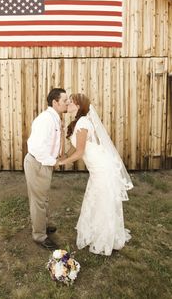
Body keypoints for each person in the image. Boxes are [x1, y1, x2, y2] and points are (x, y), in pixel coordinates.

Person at [56, 93, 133, 256]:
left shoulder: (83, 123)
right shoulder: (77, 122)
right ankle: (96, 231)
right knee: (96, 198)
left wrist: (62, 163)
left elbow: (79, 152)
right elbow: (73, 148)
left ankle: (105, 238)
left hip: (102, 168)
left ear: (78, 106)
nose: (68, 103)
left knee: (102, 200)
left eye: (71, 101)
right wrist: (61, 156)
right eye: (68, 101)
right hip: (97, 169)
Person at [24, 88, 69, 250]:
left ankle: (41, 225)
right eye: (65, 100)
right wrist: (54, 162)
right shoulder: (45, 120)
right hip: (38, 163)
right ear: (55, 102)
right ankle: (39, 236)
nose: (68, 103)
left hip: (44, 163)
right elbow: (36, 146)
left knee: (43, 198)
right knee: (38, 201)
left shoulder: (55, 118)